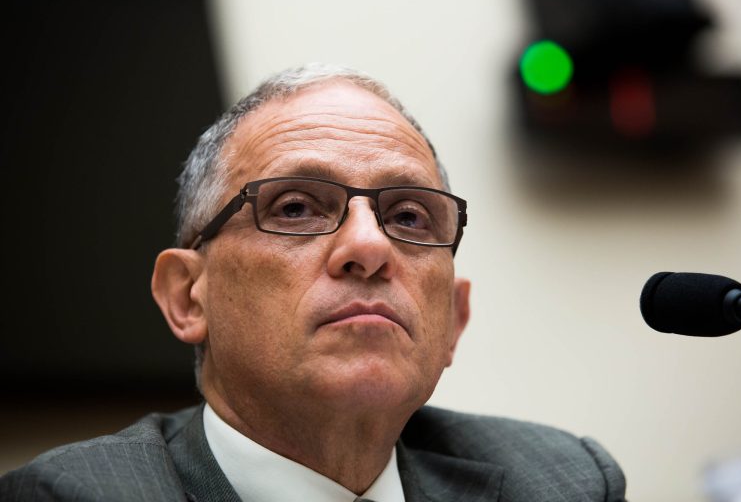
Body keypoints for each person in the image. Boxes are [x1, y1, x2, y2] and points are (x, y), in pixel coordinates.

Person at [0, 64, 627, 501]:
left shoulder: (564, 481)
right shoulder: (69, 496)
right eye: (296, 207)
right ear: (189, 296)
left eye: (409, 217)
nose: (369, 246)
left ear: (453, 321)